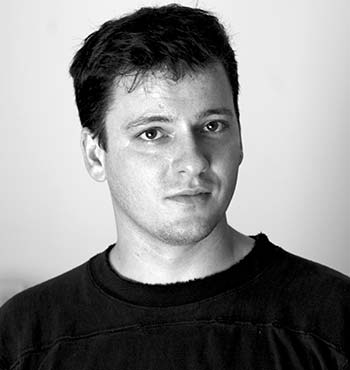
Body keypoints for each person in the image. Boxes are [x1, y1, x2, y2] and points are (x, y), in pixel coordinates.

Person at [0, 4, 349, 369]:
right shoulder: (24, 337)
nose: (193, 162)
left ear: (241, 138)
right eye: (152, 134)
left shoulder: (335, 321)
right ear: (95, 155)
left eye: (213, 126)